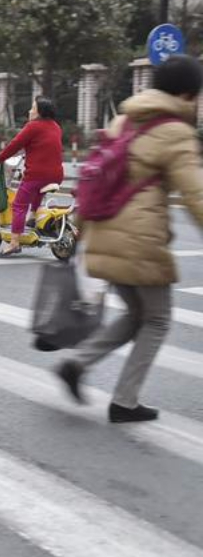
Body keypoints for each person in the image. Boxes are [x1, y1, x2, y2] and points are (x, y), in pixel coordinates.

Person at [55, 54, 203, 423]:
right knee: (158, 319)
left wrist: (77, 232)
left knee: (138, 314)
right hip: (139, 243)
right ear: (187, 94)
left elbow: (93, 178)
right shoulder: (176, 131)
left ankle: (77, 364)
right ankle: (124, 400)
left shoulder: (124, 119)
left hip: (105, 237)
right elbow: (195, 195)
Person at [0, 96, 64, 256]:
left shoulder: (33, 126)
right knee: (38, 190)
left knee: (19, 205)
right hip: (57, 174)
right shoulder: (56, 127)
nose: (29, 111)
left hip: (37, 174)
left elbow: (15, 144)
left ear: (39, 112)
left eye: (33, 108)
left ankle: (14, 243)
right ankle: (33, 216)